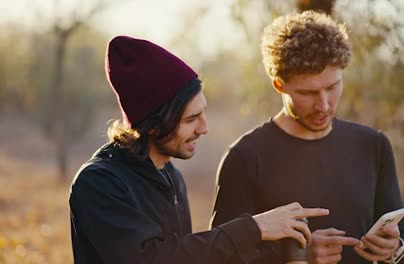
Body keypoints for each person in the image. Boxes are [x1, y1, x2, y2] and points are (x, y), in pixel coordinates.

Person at [69, 35, 329, 264]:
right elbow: (149, 259)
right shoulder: (100, 182)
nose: (203, 128)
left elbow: (189, 257)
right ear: (152, 123)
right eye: (190, 119)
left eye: (202, 113)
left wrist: (294, 253)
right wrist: (254, 227)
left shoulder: (170, 175)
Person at [212, 11, 404, 264]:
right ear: (279, 84)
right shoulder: (244, 157)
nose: (323, 105)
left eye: (332, 87)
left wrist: (395, 249)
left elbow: (396, 240)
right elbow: (220, 257)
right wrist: (298, 257)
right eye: (308, 92)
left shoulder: (373, 145)